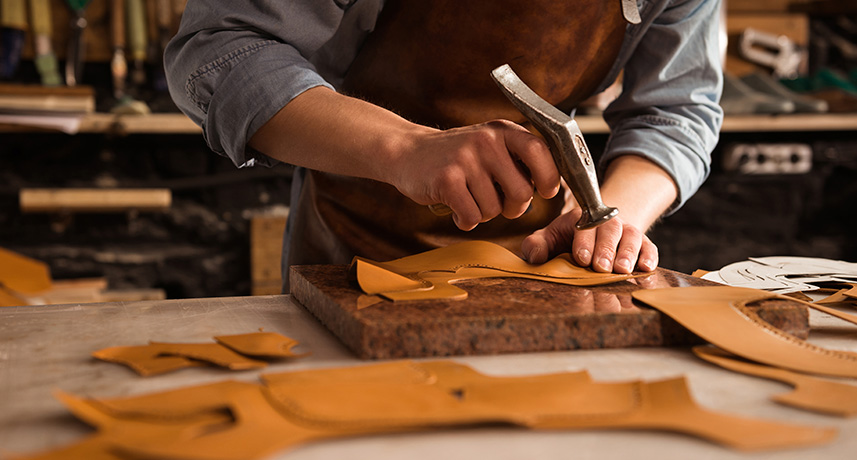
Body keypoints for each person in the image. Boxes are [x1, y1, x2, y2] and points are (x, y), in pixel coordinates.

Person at [165, 0, 723, 292]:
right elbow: (220, 50)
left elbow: (676, 107)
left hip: (547, 260)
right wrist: (405, 148)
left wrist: (616, 217)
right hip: (353, 244)